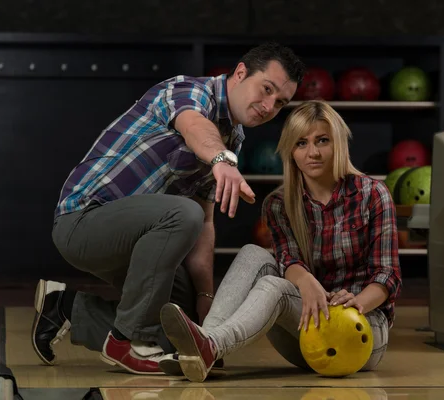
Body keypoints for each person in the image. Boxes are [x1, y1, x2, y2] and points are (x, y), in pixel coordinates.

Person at [31, 42, 305, 375]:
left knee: (180, 328)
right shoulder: (189, 90)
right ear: (241, 73)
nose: (268, 106)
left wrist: (205, 299)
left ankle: (65, 307)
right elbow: (194, 127)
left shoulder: (233, 139)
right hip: (84, 221)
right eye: (266, 89)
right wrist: (221, 160)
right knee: (181, 214)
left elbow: (205, 223)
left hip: (142, 237)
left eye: (280, 102)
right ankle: (124, 341)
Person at [159, 100, 402, 382]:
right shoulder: (279, 203)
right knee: (254, 253)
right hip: (307, 328)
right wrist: (308, 283)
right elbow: (288, 259)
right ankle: (206, 342)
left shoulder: (373, 194)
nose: (312, 152)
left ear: (338, 144)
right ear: (291, 152)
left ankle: (209, 346)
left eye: (322, 141)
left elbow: (388, 275)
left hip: (362, 332)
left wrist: (357, 302)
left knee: (272, 285)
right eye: (301, 143)